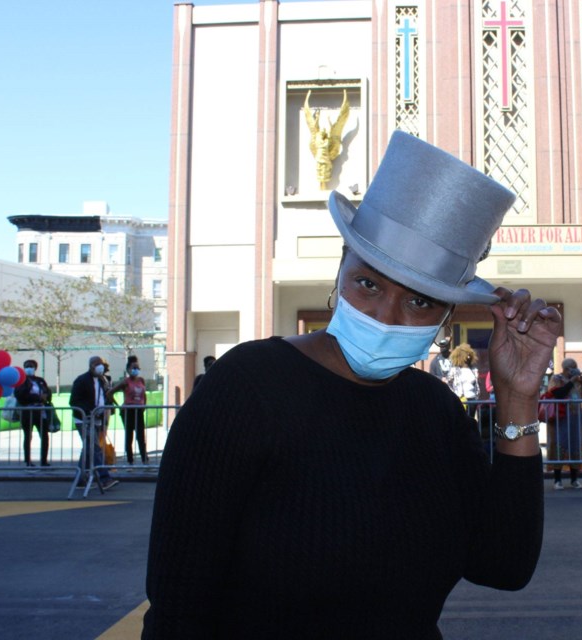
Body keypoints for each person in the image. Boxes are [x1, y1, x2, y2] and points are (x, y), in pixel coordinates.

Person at [143, 130, 560, 638]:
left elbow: (503, 566)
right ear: (338, 274)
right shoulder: (247, 388)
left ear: (446, 315)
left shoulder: (434, 410)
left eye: (420, 301)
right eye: (368, 284)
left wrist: (517, 397)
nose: (387, 316)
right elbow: (178, 603)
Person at [69, 355, 118, 490]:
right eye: (97, 363)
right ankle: (104, 477)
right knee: (94, 447)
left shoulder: (104, 380)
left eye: (101, 363)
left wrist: (104, 416)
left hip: (97, 420)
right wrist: (89, 411)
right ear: (91, 365)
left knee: (88, 449)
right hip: (84, 419)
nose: (100, 366)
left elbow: (105, 398)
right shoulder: (82, 380)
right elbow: (74, 401)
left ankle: (80, 479)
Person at [540, 373, 582, 490]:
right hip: (560, 420)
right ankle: (557, 480)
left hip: (574, 420)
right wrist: (571, 382)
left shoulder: (578, 381)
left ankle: (574, 479)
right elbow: (558, 393)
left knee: (574, 447)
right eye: (572, 368)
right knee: (559, 447)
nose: (575, 370)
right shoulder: (556, 379)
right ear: (566, 369)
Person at [109, 357, 149, 465]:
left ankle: (144, 459)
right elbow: (110, 393)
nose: (136, 369)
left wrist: (144, 405)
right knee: (129, 435)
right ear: (128, 369)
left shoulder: (141, 380)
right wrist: (119, 406)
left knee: (140, 436)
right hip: (128, 411)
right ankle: (130, 460)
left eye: (137, 367)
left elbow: (144, 395)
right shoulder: (125, 382)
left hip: (139, 410)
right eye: (133, 367)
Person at [13, 359, 52, 467]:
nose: (29, 368)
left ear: (35, 368)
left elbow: (47, 393)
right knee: (28, 436)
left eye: (31, 366)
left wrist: (45, 397)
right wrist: (37, 397)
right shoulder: (21, 381)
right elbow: (20, 396)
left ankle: (44, 460)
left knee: (44, 435)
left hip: (40, 411)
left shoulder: (40, 380)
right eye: (27, 366)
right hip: (27, 412)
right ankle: (27, 460)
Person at [447, 343, 481, 421]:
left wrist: (477, 396)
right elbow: (449, 383)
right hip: (460, 398)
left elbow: (477, 385)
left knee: (471, 419)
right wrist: (455, 393)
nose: (468, 357)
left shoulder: (473, 370)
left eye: (469, 355)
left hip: (472, 398)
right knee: (461, 419)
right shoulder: (455, 370)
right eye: (466, 355)